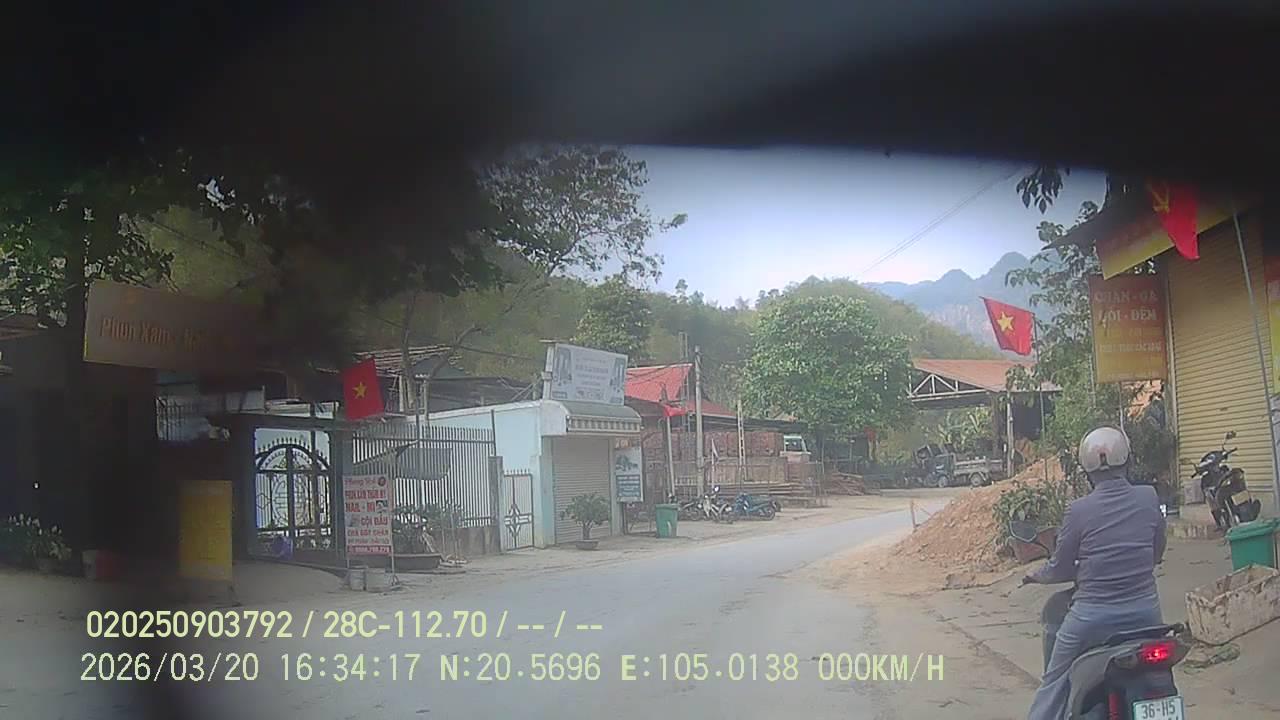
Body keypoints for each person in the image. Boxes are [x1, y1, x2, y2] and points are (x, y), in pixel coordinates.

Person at [1025, 426, 1167, 720]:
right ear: (1128, 461)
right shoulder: (1149, 497)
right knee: (1161, 671)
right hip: (1146, 614)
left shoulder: (1078, 510)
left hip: (1091, 618)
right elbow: (1156, 552)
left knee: (1054, 680)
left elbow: (1061, 568)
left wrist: (1037, 575)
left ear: (1087, 471)